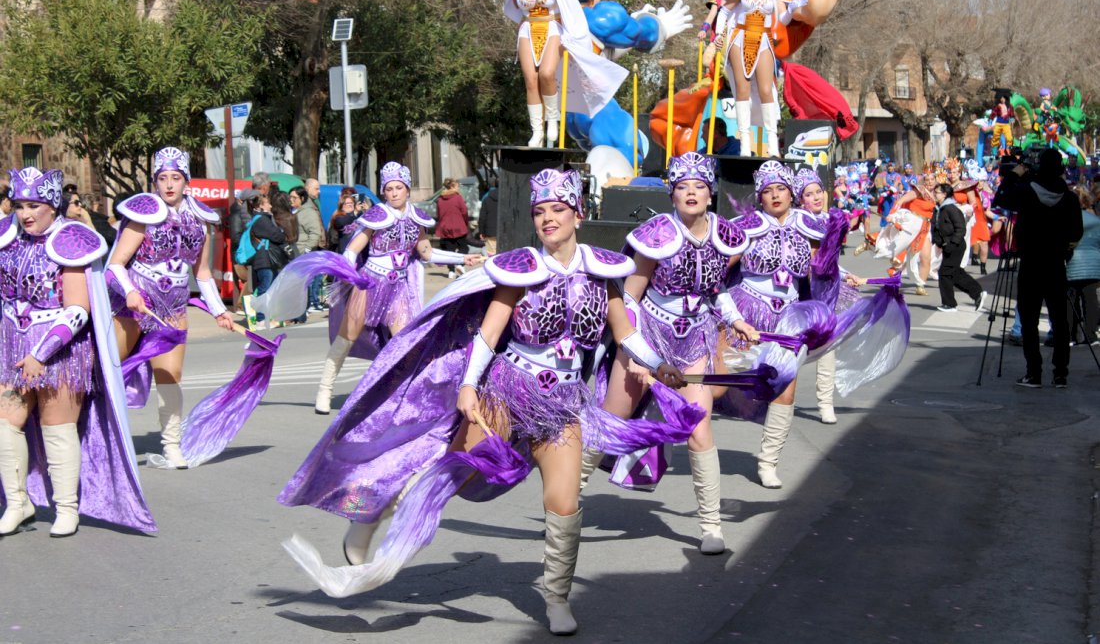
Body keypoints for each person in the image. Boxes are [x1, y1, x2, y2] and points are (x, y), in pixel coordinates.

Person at [278, 168, 693, 636]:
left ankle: (556, 596)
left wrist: (658, 366)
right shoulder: (520, 269)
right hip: (507, 391)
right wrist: (470, 386)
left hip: (562, 404)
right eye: (539, 211)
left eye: (557, 209)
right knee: (448, 472)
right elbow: (488, 335)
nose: (547, 219)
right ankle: (375, 517)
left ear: (578, 213)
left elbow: (628, 335)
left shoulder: (605, 270)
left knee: (564, 502)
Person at [592, 152, 748, 554]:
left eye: (698, 186)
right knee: (607, 426)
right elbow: (629, 298)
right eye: (682, 187)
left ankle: (711, 526)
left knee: (700, 431)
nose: (691, 192)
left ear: (710, 194)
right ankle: (565, 505)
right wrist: (642, 357)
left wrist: (735, 321)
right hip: (649, 337)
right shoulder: (656, 235)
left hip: (694, 341)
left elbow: (716, 291)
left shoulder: (724, 235)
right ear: (672, 195)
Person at [0, 167, 156, 537]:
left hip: (60, 353)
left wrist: (41, 353)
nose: (26, 214)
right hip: (12, 350)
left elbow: (77, 310)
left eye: (35, 205)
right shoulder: (7, 237)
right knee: (5, 426)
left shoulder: (69, 240)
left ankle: (66, 508)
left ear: (52, 206)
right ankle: (18, 502)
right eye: (20, 205)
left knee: (58, 429)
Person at [273, 163, 475, 414]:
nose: (394, 193)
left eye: (398, 188)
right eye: (389, 188)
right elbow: (352, 249)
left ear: (407, 189)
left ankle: (397, 393)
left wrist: (462, 259)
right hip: (370, 284)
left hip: (399, 287)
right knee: (346, 338)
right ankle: (324, 390)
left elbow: (427, 252)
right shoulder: (377, 215)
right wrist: (349, 274)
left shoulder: (416, 217)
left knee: (404, 344)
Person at [107, 147, 236, 469]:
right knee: (108, 370)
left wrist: (219, 310)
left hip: (173, 305)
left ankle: (172, 445)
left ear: (186, 181)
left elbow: (202, 273)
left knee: (171, 375)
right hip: (134, 304)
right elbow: (115, 265)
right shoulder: (143, 214)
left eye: (175, 178)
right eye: (162, 178)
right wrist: (130, 292)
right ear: (154, 181)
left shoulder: (201, 218)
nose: (168, 185)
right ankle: (100, 437)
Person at [724, 160, 825, 488]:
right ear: (760, 197)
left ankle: (768, 462)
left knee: (785, 389)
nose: (775, 195)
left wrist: (841, 279)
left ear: (791, 193)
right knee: (716, 381)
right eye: (767, 191)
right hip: (746, 312)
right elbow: (720, 268)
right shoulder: (747, 225)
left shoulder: (808, 226)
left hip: (789, 319)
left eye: (780, 188)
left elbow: (819, 270)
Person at [499, 0, 626, 147]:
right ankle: (537, 130)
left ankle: (552, 120)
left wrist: (573, 36)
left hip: (551, 28)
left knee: (547, 74)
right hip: (528, 30)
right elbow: (511, 7)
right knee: (531, 80)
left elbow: (571, 8)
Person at [994, 150, 1083, 387]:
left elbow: (1000, 200)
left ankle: (1033, 373)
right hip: (1056, 264)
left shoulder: (1025, 190)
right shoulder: (1070, 198)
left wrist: (1014, 175)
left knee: (1030, 320)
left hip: (1031, 263)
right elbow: (1076, 233)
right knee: (1060, 321)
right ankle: (1060, 373)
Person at [792, 168, 867, 424]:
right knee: (793, 349)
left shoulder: (829, 219)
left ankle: (825, 403)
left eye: (818, 192)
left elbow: (830, 261)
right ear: (800, 199)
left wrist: (847, 275)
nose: (815, 197)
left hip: (828, 293)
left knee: (827, 349)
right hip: (802, 292)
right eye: (808, 194)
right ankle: (780, 398)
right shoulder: (795, 221)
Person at [714, 0, 807, 156]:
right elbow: (724, 12)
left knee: (767, 89)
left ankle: (773, 143)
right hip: (741, 38)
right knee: (743, 88)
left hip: (764, 39)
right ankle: (745, 143)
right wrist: (719, 36)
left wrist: (792, 8)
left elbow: (783, 18)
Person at [931, 183, 987, 313]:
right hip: (947, 245)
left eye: (937, 192)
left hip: (955, 245)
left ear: (945, 194)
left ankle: (949, 304)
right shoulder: (939, 208)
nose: (935, 194)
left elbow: (960, 228)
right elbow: (936, 227)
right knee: (955, 273)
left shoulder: (951, 208)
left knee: (944, 273)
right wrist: (938, 242)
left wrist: (952, 243)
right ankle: (977, 293)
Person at [246, 193, 288, 325]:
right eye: (268, 203)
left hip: (265, 259)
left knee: (268, 288)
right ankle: (260, 318)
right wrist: (281, 232)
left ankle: (266, 317)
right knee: (265, 288)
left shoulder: (259, 219)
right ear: (261, 205)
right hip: (264, 259)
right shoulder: (262, 220)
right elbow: (278, 236)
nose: (270, 205)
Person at [1065, 187, 1100, 346]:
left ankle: (1072, 336)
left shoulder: (1066, 219)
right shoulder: (1096, 221)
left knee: (1070, 301)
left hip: (1072, 265)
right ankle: (1091, 335)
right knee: (1091, 301)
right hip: (1093, 265)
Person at [290, 185, 324, 313]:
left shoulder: (308, 212)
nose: (291, 200)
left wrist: (308, 249)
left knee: (303, 282)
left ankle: (303, 309)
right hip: (294, 251)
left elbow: (315, 233)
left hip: (303, 251)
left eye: (294, 198)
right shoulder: (294, 211)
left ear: (302, 198)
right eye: (290, 197)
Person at [435, 178, 470, 279]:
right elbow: (464, 212)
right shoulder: (458, 198)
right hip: (458, 226)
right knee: (464, 247)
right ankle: (460, 264)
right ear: (452, 187)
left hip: (445, 228)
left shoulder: (440, 200)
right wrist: (465, 222)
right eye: (457, 186)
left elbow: (439, 215)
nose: (459, 188)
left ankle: (451, 271)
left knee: (449, 251)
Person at [478, 177, 499, 256]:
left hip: (490, 231)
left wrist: (481, 231)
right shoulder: (509, 199)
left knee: (492, 255)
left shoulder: (487, 199)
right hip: (506, 231)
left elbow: (482, 217)